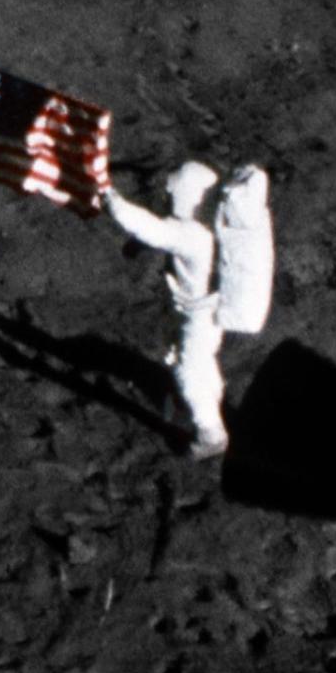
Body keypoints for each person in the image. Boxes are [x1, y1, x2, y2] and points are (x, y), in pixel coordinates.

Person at [98, 161, 231, 458]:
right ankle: (204, 403)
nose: (170, 198)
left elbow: (151, 229)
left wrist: (111, 198)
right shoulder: (208, 228)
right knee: (201, 358)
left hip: (199, 315)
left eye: (174, 194)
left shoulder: (191, 234)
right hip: (211, 311)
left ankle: (211, 433)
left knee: (189, 369)